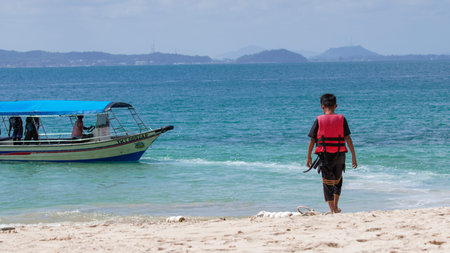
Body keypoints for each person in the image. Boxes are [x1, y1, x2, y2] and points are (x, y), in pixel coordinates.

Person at [306, 94, 357, 214]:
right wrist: (354, 156)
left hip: (325, 155)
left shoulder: (319, 120)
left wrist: (308, 156)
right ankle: (336, 206)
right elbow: (348, 138)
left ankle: (332, 209)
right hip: (340, 154)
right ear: (336, 106)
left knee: (327, 181)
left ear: (322, 106)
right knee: (338, 180)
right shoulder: (341, 119)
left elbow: (312, 140)